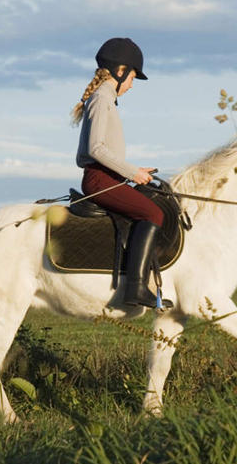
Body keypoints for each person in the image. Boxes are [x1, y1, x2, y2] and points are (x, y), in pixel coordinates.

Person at [71, 37, 166, 308]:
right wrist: (132, 172)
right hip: (100, 180)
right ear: (120, 71)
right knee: (153, 213)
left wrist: (133, 171)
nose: (132, 85)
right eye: (133, 77)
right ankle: (136, 288)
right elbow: (96, 149)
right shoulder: (102, 98)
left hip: (108, 177)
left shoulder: (105, 99)